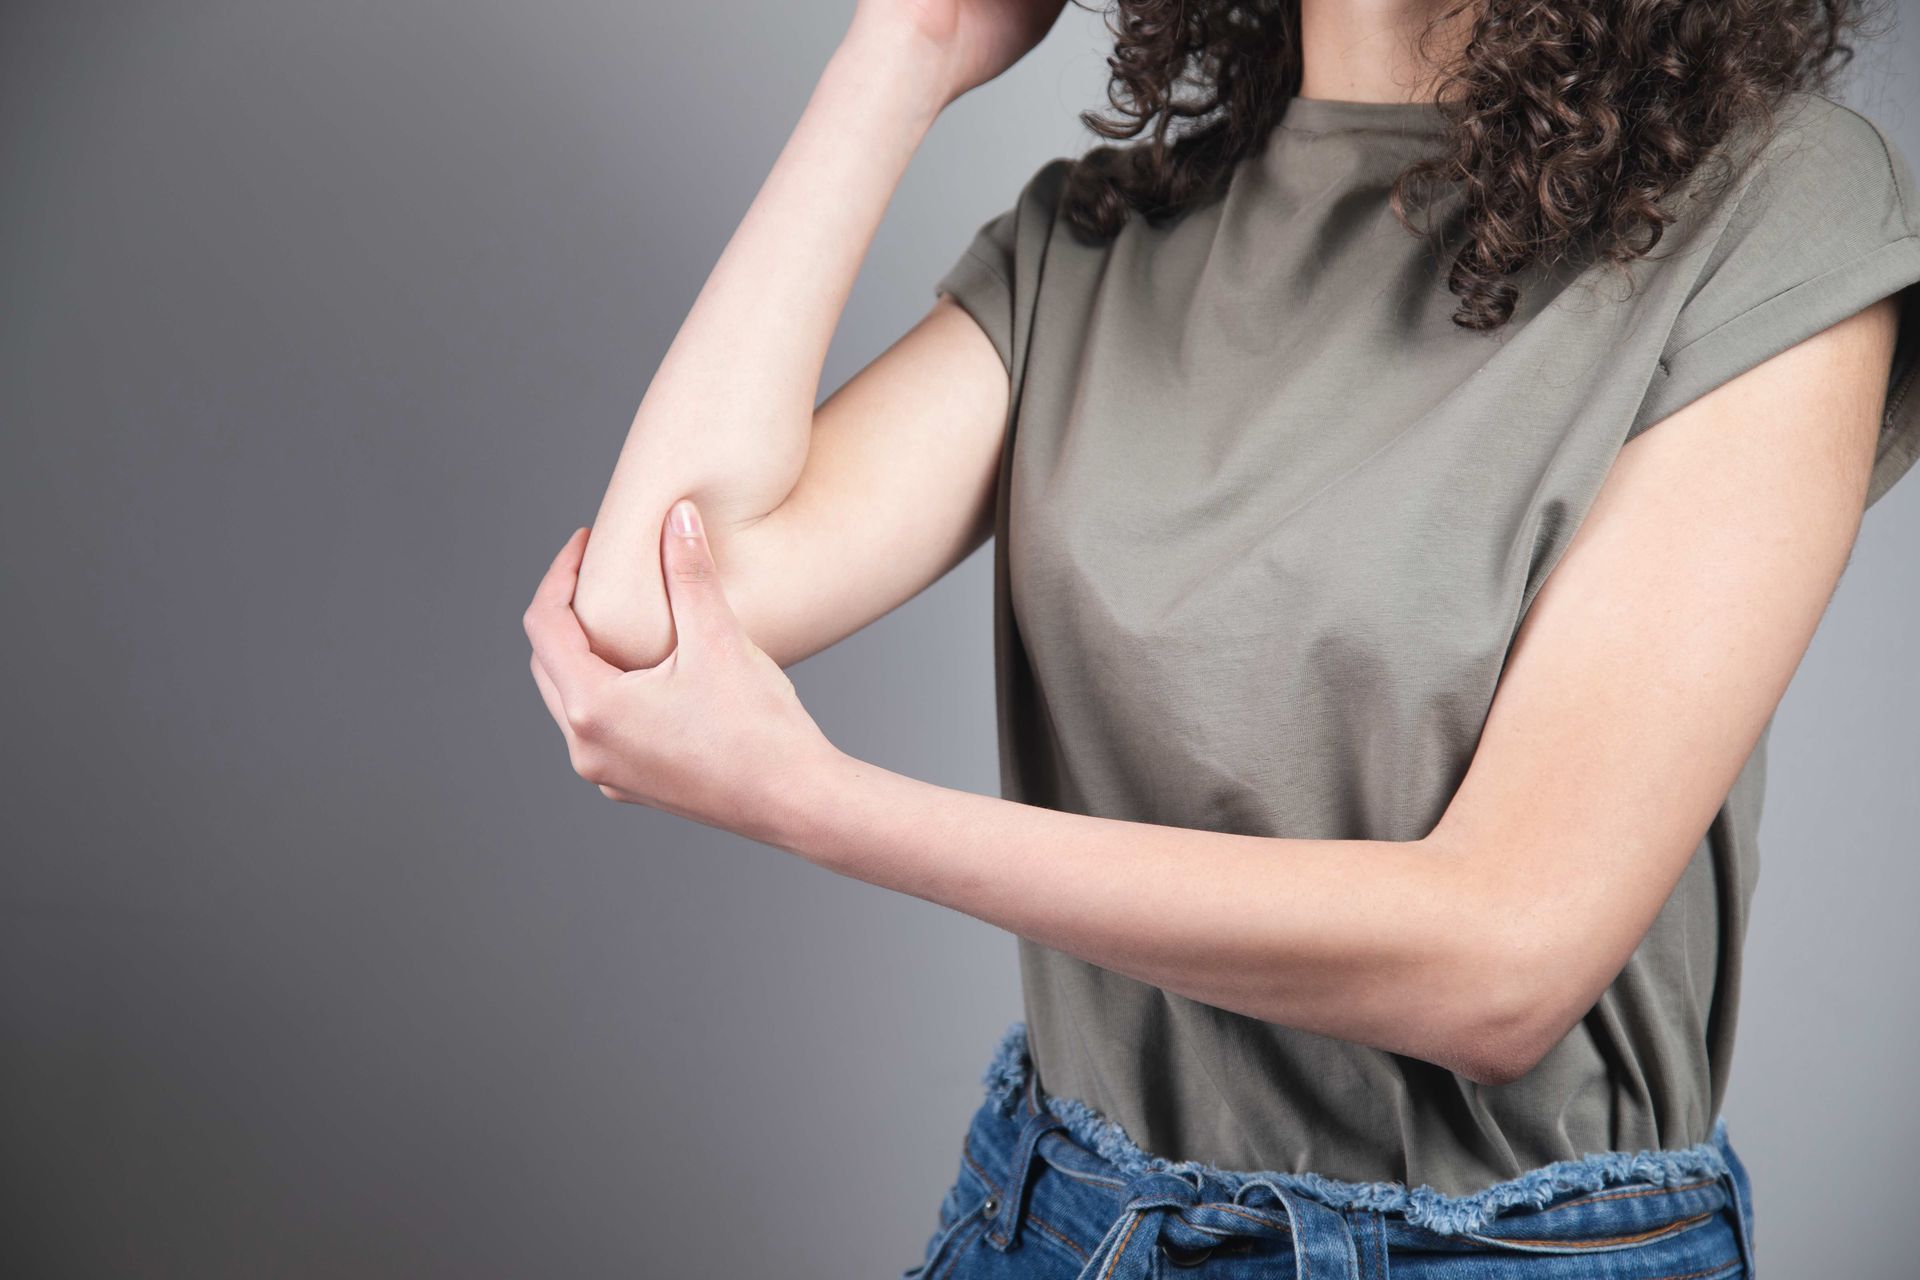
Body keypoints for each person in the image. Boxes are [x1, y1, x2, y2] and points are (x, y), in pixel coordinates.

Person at [520, 0, 1920, 1274]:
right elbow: (652, 617)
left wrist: (821, 806)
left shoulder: (1775, 209)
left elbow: (1504, 960)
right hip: (1068, 1225)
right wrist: (911, 45)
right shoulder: (1108, 236)